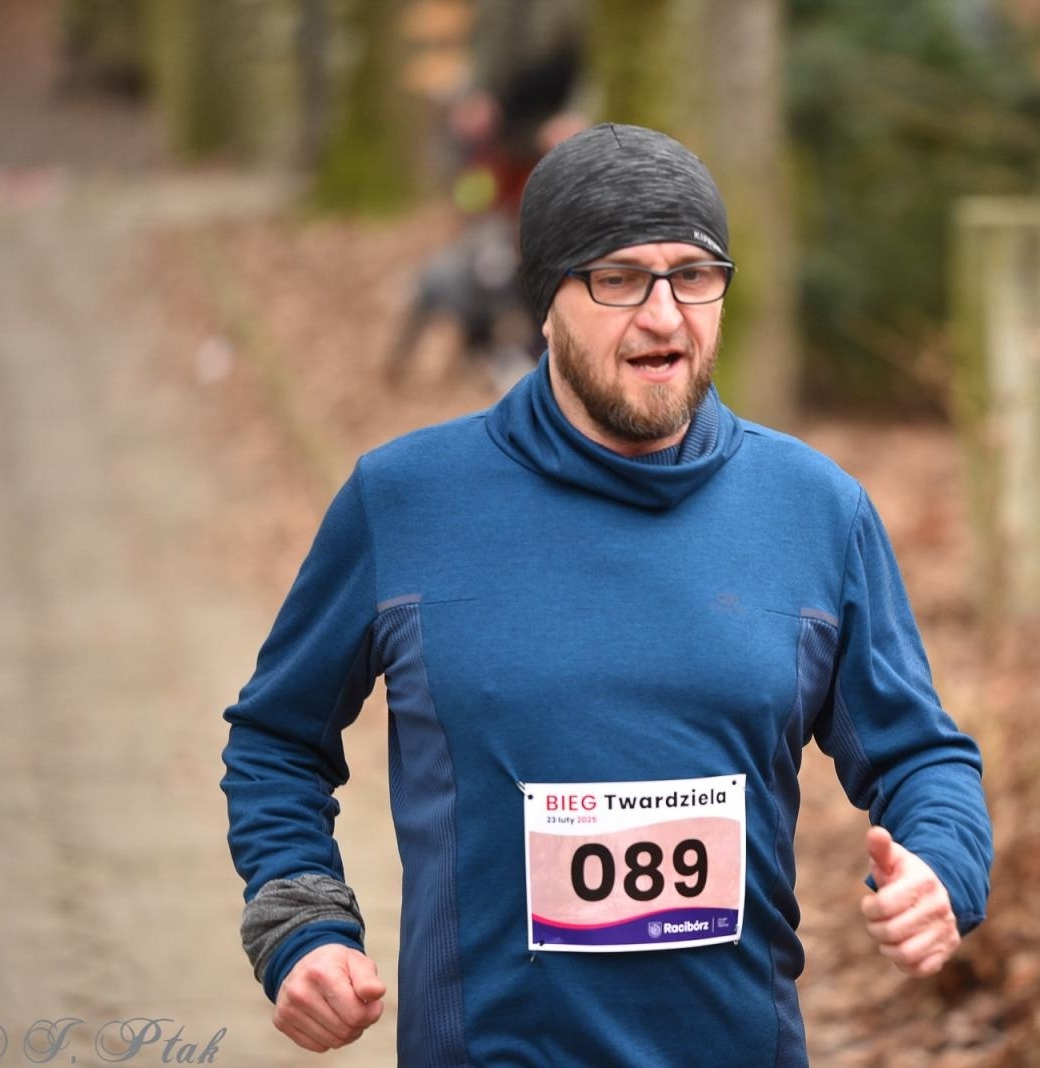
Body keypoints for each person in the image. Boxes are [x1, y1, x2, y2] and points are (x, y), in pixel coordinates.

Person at [221, 122, 993, 1066]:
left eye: (694, 274)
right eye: (618, 278)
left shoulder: (813, 509)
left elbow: (922, 756)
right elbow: (277, 742)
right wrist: (301, 925)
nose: (664, 315)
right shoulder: (407, 501)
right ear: (544, 301)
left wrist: (943, 869)